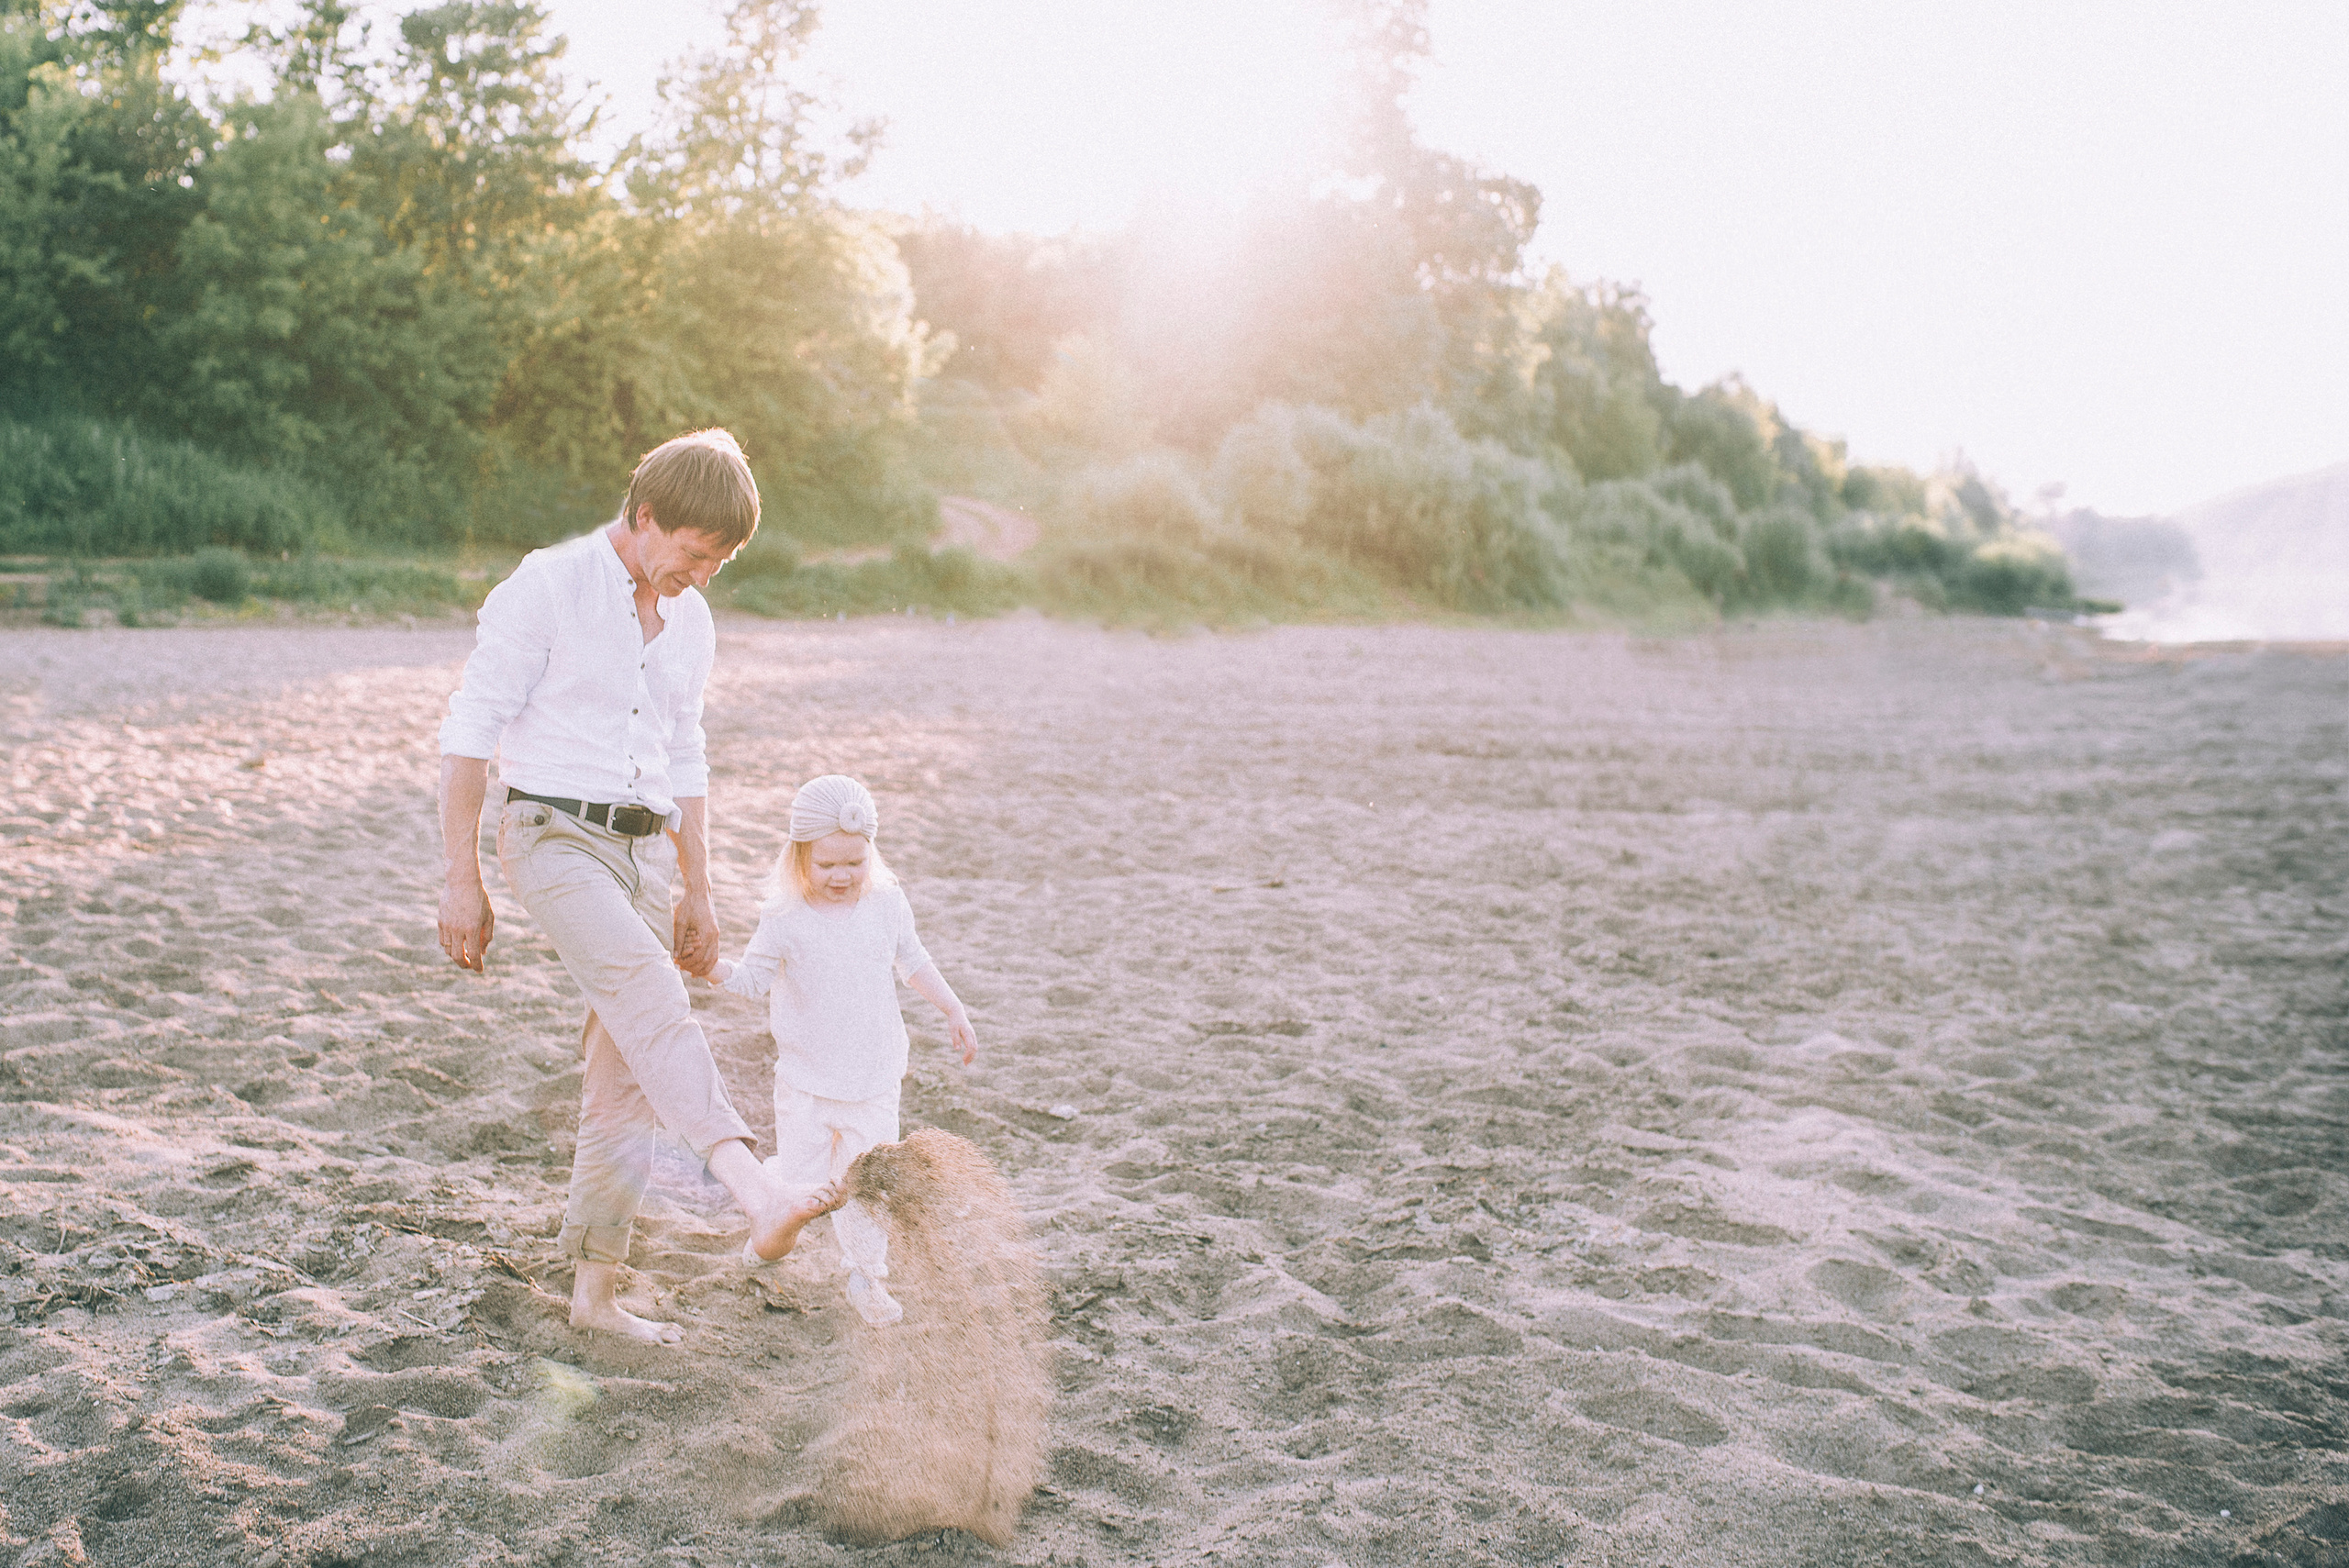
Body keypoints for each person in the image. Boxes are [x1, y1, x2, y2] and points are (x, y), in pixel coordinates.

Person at [435, 428, 833, 1346]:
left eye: (720, 561)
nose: (702, 573)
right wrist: (461, 878)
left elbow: (686, 752)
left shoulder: (690, 619)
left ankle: (594, 1293)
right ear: (644, 515)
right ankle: (756, 1189)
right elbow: (467, 735)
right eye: (693, 551)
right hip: (548, 833)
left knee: (626, 1079)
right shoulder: (547, 584)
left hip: (648, 849)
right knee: (652, 998)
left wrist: (698, 883)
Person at [705, 774, 979, 1326]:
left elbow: (914, 960)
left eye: (854, 862)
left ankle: (866, 1276)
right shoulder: (784, 917)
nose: (841, 875)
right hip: (806, 1078)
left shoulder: (886, 904)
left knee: (869, 1179)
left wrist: (953, 1008)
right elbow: (754, 980)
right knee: (803, 1181)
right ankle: (767, 1236)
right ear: (799, 857)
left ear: (870, 854)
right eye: (826, 864)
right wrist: (712, 969)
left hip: (875, 1076)